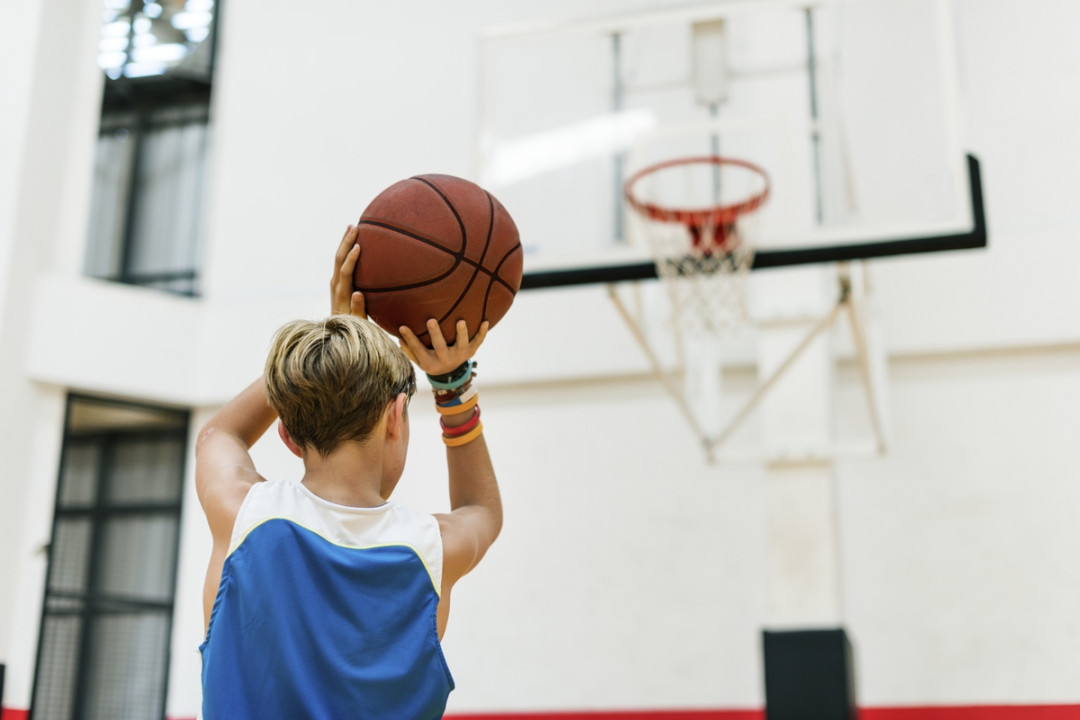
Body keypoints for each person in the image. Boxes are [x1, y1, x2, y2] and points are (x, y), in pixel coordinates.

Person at [195, 225, 502, 719]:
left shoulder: (242, 514)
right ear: (396, 417)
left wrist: (322, 352)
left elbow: (218, 436)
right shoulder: (432, 549)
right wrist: (453, 384)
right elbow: (481, 509)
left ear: (288, 436)